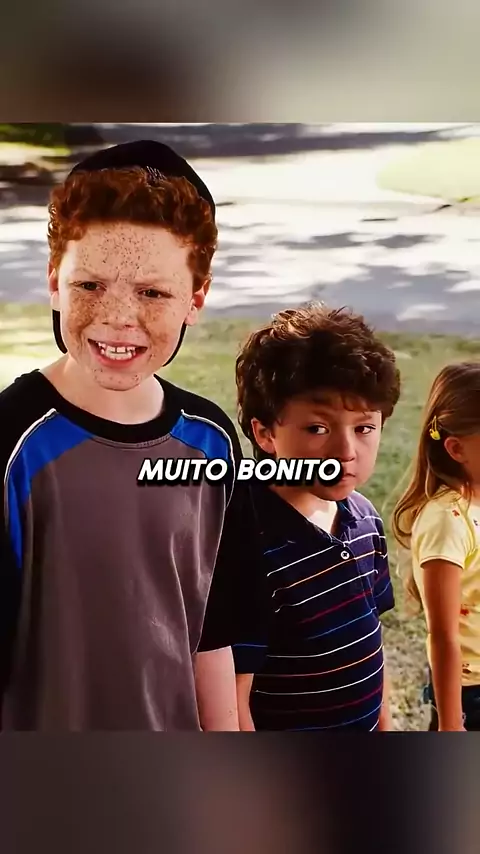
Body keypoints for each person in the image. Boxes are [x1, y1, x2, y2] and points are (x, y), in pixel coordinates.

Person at [0, 139, 257, 731]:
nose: (117, 317)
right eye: (90, 285)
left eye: (152, 292)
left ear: (195, 298)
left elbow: (214, 630)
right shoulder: (14, 441)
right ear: (54, 281)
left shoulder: (212, 440)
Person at [233, 303, 401, 731]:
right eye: (318, 429)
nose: (346, 452)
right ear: (265, 433)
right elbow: (234, 698)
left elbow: (372, 641)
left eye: (364, 428)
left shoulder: (365, 519)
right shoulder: (247, 545)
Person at [392, 362, 480, 732]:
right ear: (457, 449)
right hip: (470, 692)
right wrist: (450, 724)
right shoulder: (446, 521)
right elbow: (443, 638)